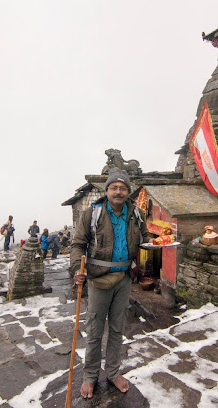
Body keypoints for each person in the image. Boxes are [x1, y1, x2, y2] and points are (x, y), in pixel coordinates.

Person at [71, 168, 149, 399]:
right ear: (106, 191)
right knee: (95, 330)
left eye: (123, 188)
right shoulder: (92, 214)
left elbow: (144, 238)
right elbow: (78, 244)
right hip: (98, 279)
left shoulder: (136, 214)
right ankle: (90, 375)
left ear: (128, 191)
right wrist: (77, 269)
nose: (118, 191)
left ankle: (113, 372)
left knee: (117, 328)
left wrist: (157, 242)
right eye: (114, 187)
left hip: (123, 277)